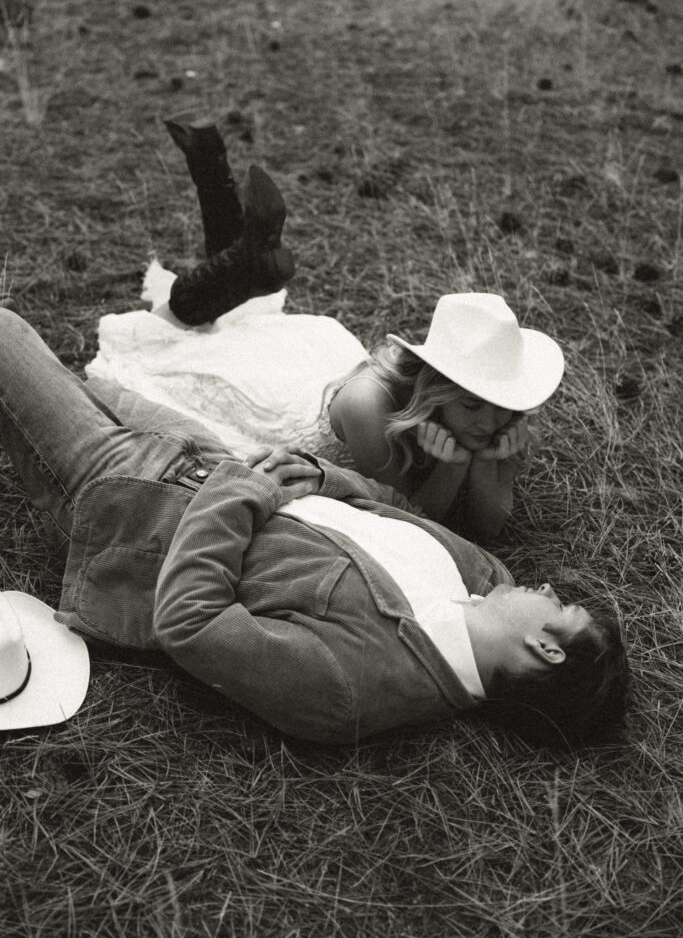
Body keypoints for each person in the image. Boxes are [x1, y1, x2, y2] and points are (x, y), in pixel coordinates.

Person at [0, 307, 627, 746]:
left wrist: (244, 490)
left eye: (561, 607)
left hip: (137, 503)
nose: (548, 591)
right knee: (90, 379)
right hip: (209, 450)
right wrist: (323, 478)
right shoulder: (489, 575)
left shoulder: (352, 690)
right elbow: (391, 506)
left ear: (545, 649)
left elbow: (191, 619)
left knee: (6, 337)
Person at [86, 122, 565, 537]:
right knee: (170, 341)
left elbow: (488, 528)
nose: (489, 421)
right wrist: (455, 467)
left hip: (322, 367)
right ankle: (233, 245)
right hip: (281, 399)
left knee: (222, 319)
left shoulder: (497, 422)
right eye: (471, 404)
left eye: (499, 405)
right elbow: (408, 517)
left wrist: (483, 462)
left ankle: (223, 204)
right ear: (433, 388)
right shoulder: (370, 407)